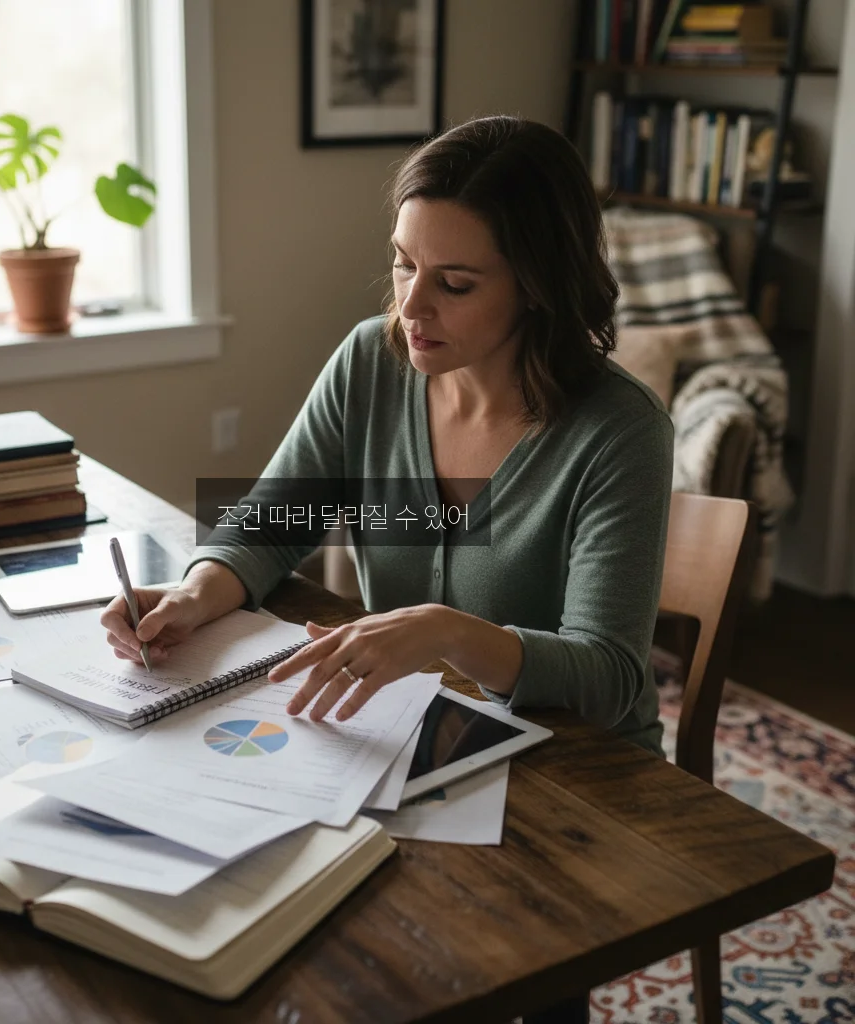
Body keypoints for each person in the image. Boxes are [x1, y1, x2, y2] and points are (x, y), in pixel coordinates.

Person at [101, 114, 674, 760]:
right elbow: (272, 519)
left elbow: (609, 679)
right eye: (404, 264)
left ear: (537, 288)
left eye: (454, 284)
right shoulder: (369, 364)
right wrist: (194, 593)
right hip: (421, 738)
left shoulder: (620, 432)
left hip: (586, 770)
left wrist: (448, 633)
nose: (412, 305)